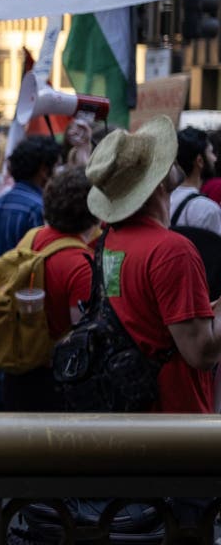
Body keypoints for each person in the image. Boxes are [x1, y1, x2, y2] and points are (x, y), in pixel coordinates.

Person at [84, 116, 221, 413]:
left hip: (134, 418)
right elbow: (202, 352)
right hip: (174, 425)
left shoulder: (108, 241)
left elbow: (147, 319)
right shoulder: (172, 251)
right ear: (157, 182)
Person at [0, 168, 96, 412]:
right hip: (53, 378)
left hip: (20, 363)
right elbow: (80, 334)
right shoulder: (82, 264)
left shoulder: (33, 237)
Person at [0, 136, 62, 261]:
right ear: (44, 171)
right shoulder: (38, 208)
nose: (58, 173)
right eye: (57, 166)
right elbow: (41, 261)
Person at [169, 127, 221, 234]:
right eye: (210, 152)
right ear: (200, 161)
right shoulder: (208, 209)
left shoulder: (165, 200)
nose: (214, 159)